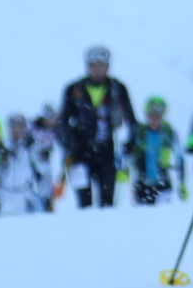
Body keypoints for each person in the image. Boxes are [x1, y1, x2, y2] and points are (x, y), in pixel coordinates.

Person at [58, 46, 136, 209]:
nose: (97, 69)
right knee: (84, 204)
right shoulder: (74, 89)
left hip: (107, 152)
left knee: (107, 203)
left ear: (108, 66)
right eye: (93, 65)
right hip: (80, 152)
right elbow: (62, 122)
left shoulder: (117, 88)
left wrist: (129, 146)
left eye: (101, 65)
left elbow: (131, 121)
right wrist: (68, 144)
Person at [128, 97, 186, 205]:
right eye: (151, 115)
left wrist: (182, 183)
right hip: (142, 184)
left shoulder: (170, 133)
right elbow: (127, 151)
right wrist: (123, 170)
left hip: (163, 184)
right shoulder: (139, 132)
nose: (154, 119)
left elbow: (180, 157)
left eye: (158, 116)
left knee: (163, 211)